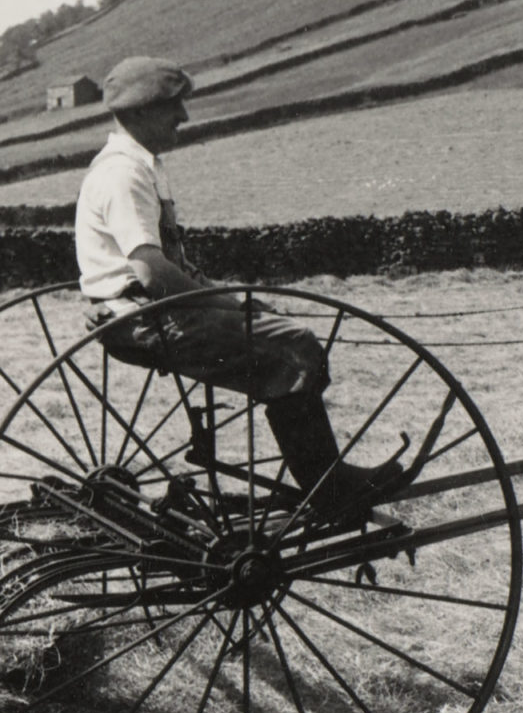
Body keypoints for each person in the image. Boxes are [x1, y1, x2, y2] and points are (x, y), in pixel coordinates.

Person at [74, 56, 398, 526]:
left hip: (145, 315)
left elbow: (170, 266)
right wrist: (226, 303)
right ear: (140, 112)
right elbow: (151, 271)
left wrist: (237, 300)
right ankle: (330, 490)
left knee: (277, 334)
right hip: (151, 319)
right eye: (173, 107)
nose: (184, 116)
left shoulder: (138, 166)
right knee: (297, 346)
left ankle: (325, 479)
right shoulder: (124, 174)